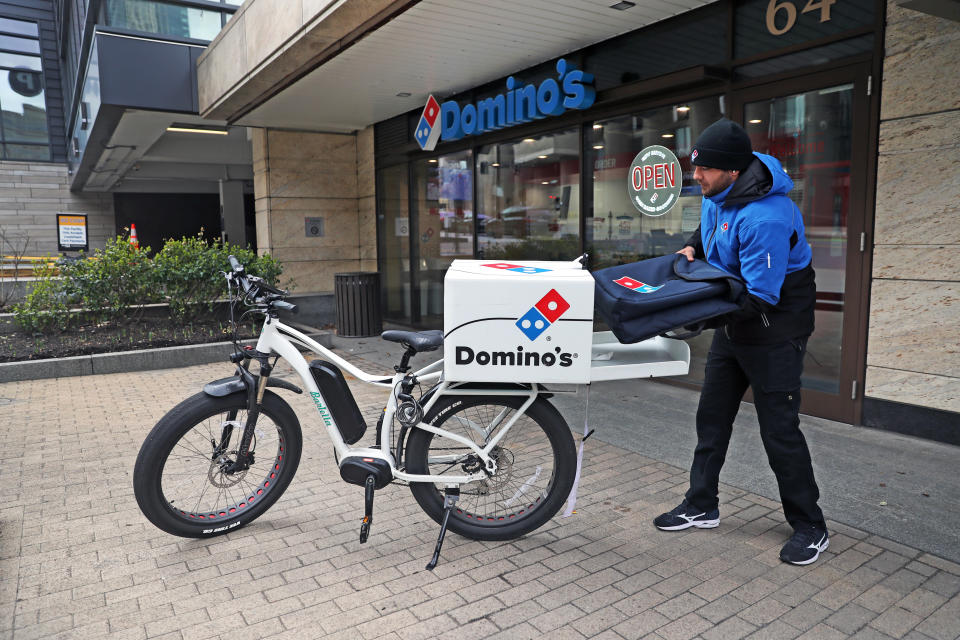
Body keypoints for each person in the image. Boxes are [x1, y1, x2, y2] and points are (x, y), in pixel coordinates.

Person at [653, 118, 828, 566]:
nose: (696, 177)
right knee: (712, 418)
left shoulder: (766, 217)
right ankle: (701, 504)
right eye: (695, 167)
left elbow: (761, 297)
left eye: (704, 170)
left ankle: (811, 525)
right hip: (736, 320)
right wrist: (691, 247)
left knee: (779, 432)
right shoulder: (719, 193)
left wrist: (695, 319)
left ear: (733, 171)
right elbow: (709, 230)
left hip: (774, 326)